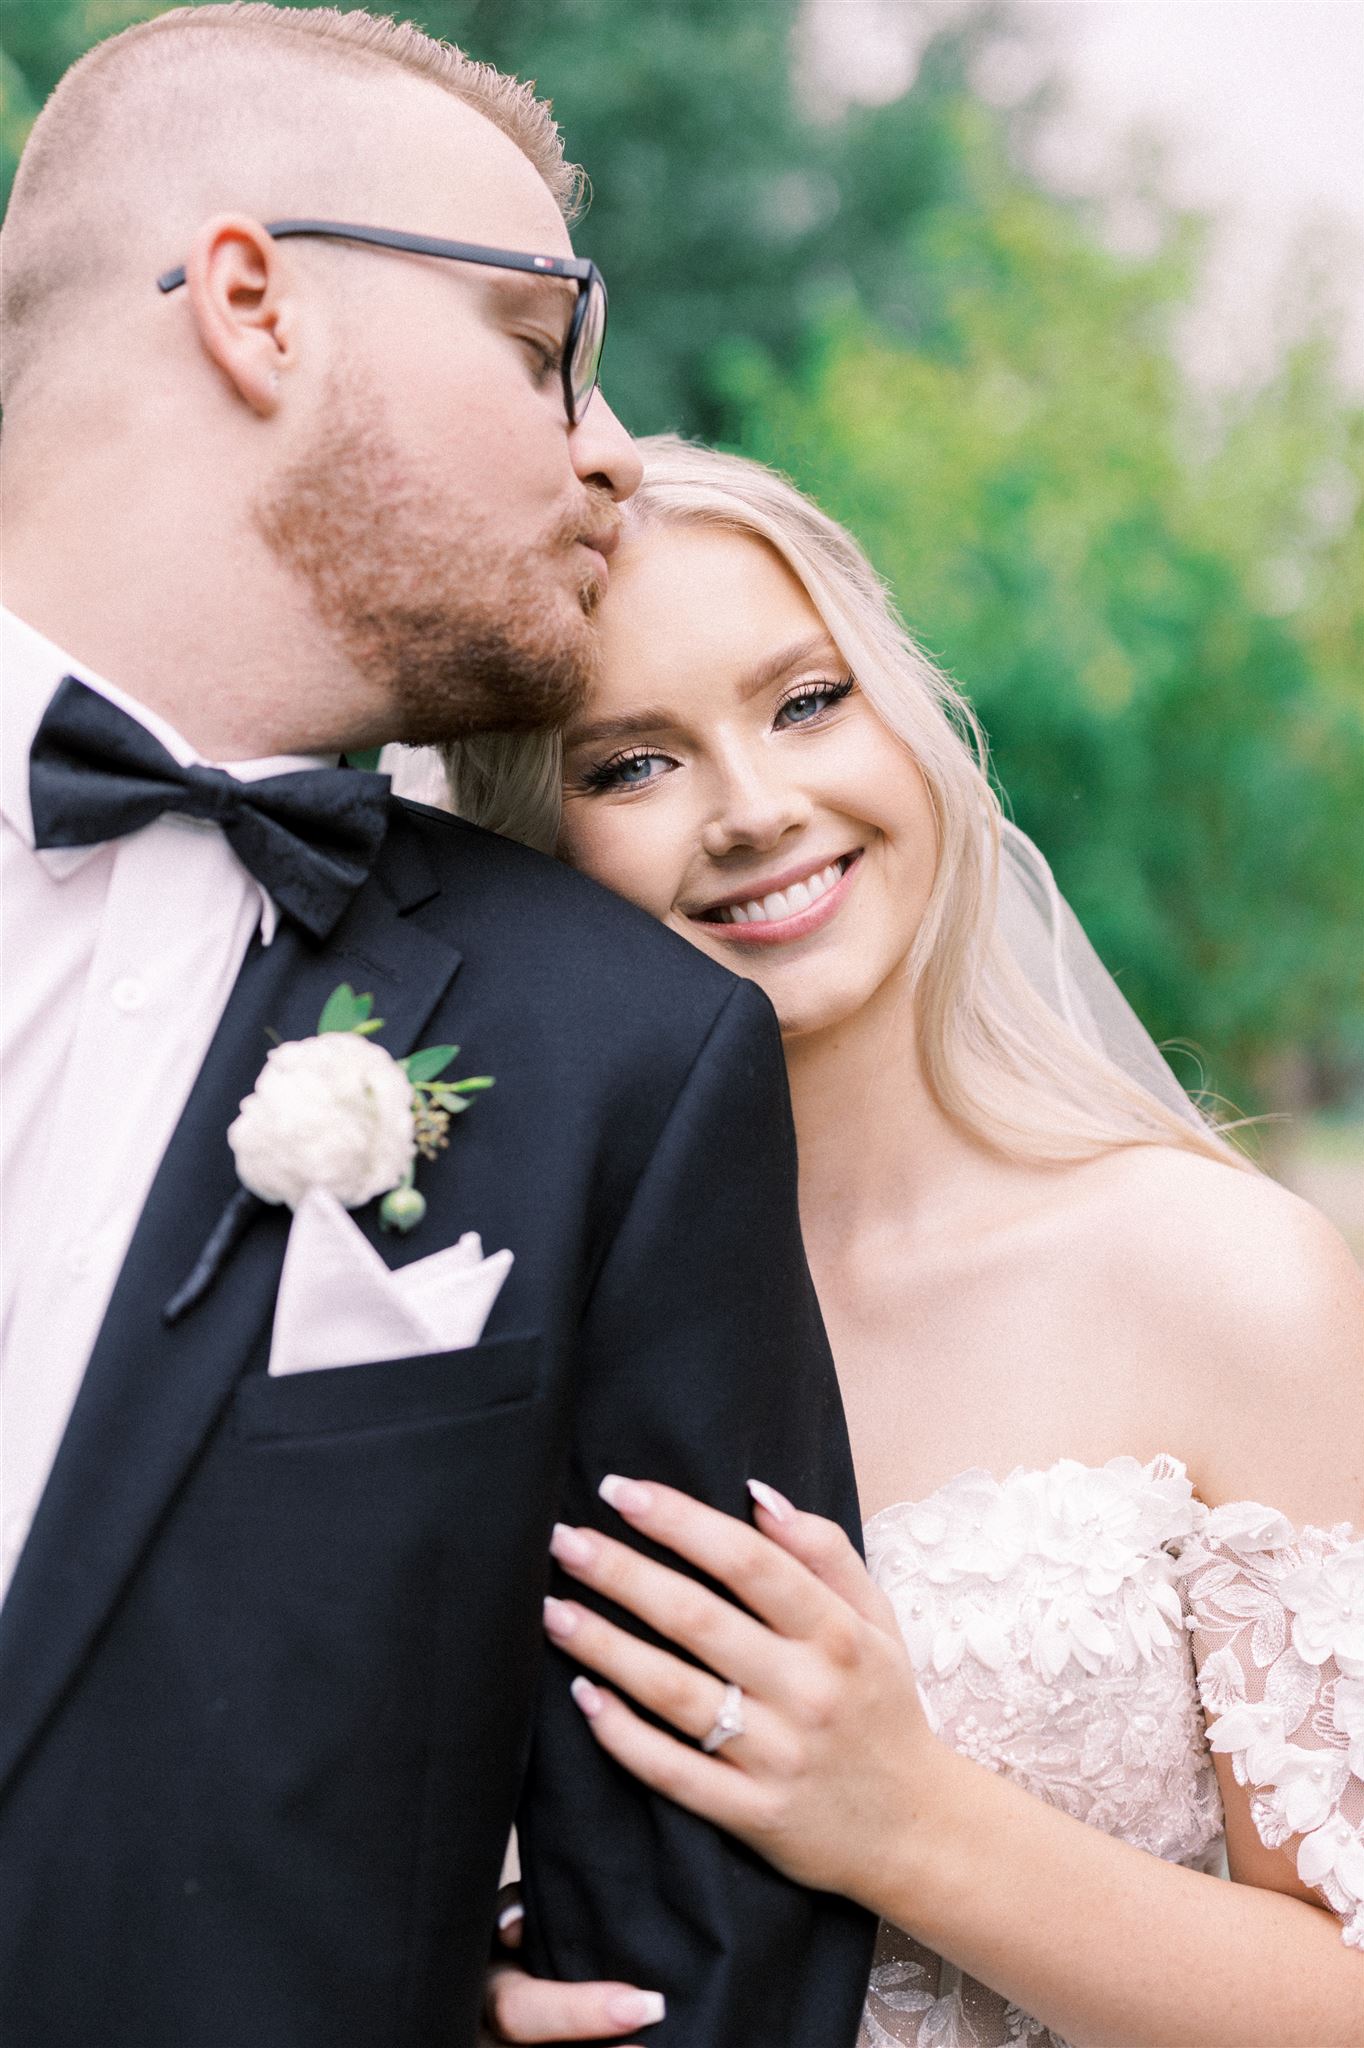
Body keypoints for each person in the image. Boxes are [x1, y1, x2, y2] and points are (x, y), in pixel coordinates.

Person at [0, 16, 877, 2046]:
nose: (610, 444)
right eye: (535, 341)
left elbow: (701, 1961)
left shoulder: (620, 1062)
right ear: (253, 307)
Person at [432, 439, 1364, 2048]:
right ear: (528, 842)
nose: (753, 809)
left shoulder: (1225, 1284)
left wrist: (907, 1819)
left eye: (804, 702)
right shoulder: (469, 1324)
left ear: (908, 722)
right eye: (627, 765)